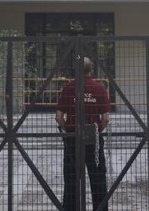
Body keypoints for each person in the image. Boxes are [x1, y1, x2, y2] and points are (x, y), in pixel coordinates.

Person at [55, 57, 111, 211]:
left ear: (75, 70)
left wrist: (68, 129)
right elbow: (106, 118)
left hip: (72, 138)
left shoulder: (68, 88)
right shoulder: (99, 88)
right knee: (98, 179)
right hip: (93, 138)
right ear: (91, 69)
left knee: (71, 179)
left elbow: (58, 116)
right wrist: (98, 130)